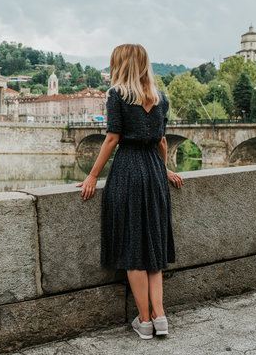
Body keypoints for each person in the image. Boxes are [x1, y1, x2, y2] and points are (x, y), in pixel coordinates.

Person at [77, 44, 183, 340]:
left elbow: (112, 139)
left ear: (120, 64)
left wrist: (92, 175)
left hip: (127, 170)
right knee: (153, 247)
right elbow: (161, 142)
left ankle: (145, 321)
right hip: (153, 170)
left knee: (133, 247)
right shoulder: (161, 98)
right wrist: (163, 170)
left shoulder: (117, 95)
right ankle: (161, 316)